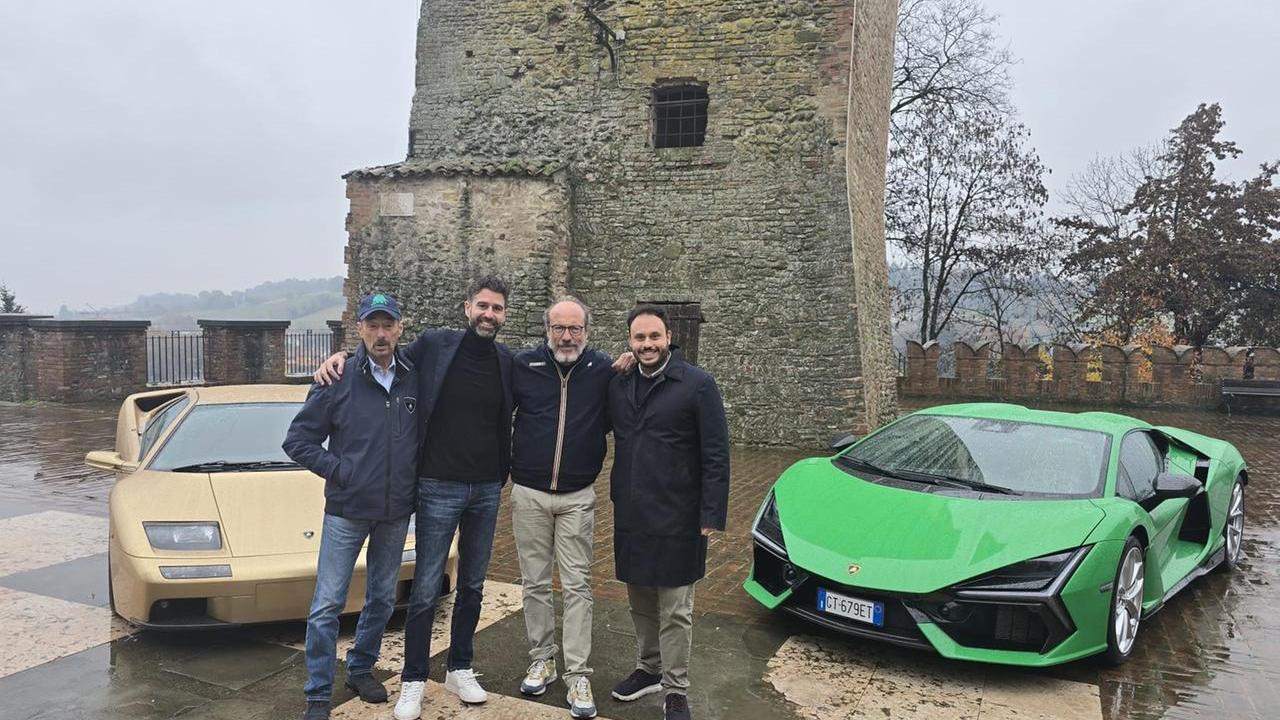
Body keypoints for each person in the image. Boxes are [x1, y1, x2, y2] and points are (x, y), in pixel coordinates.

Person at [314, 276, 514, 720]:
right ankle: (413, 679)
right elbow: (382, 354)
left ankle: (461, 666)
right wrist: (343, 358)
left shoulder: (506, 360)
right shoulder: (436, 346)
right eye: (482, 305)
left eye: (497, 308)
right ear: (467, 308)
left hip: (485, 489)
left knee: (473, 586)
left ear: (504, 315)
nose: (488, 314)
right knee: (424, 589)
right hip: (437, 486)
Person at [283, 292, 420, 720]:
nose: (380, 334)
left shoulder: (414, 376)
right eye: (372, 325)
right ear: (359, 328)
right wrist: (340, 471)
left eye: (388, 325)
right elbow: (297, 441)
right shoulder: (335, 379)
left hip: (395, 510)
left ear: (400, 328)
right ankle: (318, 692)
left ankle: (361, 668)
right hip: (346, 509)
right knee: (327, 603)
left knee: (381, 597)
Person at [605, 304, 730, 720]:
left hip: (680, 515)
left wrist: (712, 513)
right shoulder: (620, 383)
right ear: (629, 340)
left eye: (654, 337)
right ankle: (648, 668)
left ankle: (675, 688)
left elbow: (716, 453)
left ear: (668, 337)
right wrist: (609, 370)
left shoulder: (697, 385)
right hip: (632, 511)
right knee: (640, 599)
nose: (647, 345)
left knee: (675, 608)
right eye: (639, 338)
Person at [509, 297, 618, 719]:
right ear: (547, 329)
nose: (567, 336)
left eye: (575, 329)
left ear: (587, 332)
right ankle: (542, 657)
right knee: (534, 582)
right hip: (529, 494)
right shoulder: (524, 365)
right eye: (559, 328)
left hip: (576, 496)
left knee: (577, 586)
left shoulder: (604, 370)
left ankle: (578, 673)